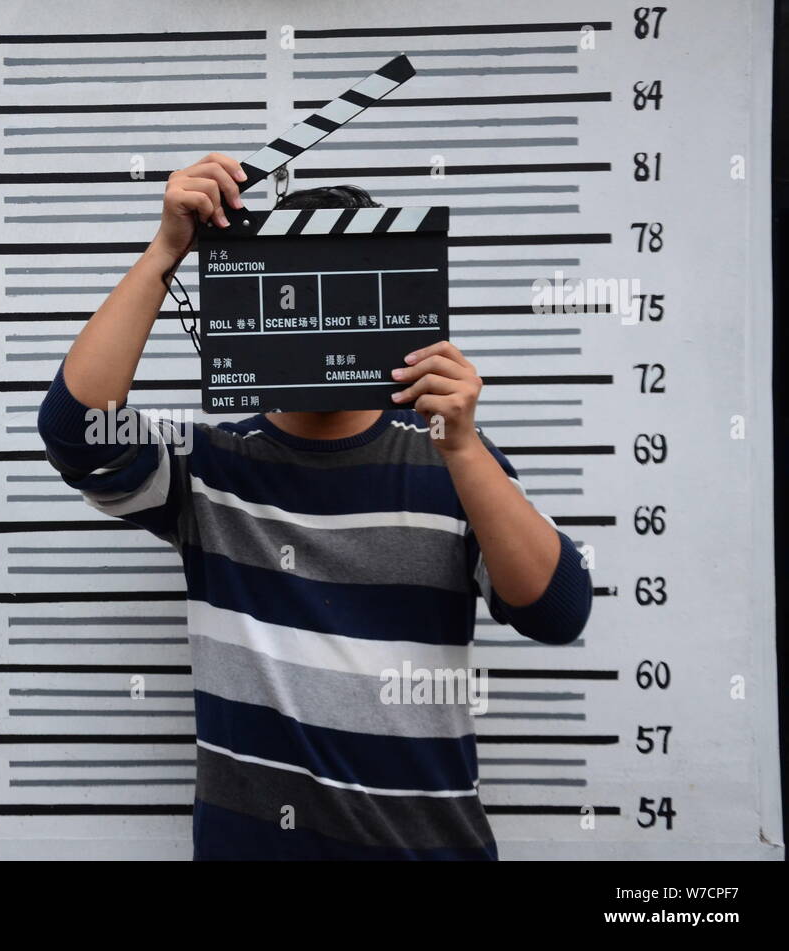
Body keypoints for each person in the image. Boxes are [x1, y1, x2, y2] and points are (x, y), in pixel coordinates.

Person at [36, 152, 593, 860]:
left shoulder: (452, 463)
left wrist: (464, 447)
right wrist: (164, 252)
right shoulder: (209, 470)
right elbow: (75, 433)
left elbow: (559, 609)